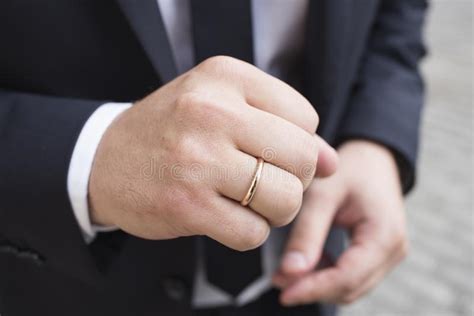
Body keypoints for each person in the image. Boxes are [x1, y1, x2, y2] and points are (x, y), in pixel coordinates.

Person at [0, 0, 427, 315]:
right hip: (59, 287)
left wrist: (375, 139)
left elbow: (398, 15)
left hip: (298, 282)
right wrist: (89, 156)